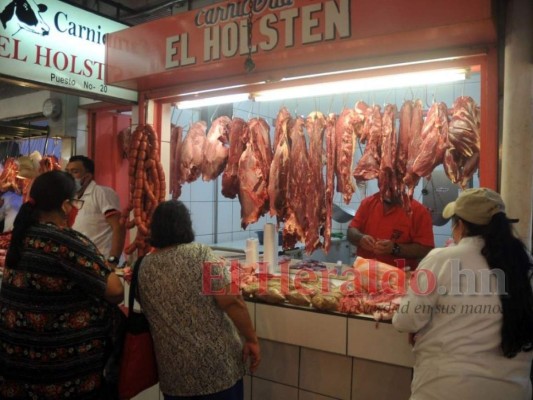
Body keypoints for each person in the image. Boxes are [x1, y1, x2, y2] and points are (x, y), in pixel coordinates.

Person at [392, 188, 533, 400]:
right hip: (513, 389)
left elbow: (406, 321)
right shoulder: (522, 262)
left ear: (462, 225)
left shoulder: (442, 259)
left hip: (448, 388)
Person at [0, 170, 124, 399]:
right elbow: (116, 292)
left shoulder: (22, 235)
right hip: (62, 374)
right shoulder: (65, 241)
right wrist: (112, 270)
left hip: (17, 370)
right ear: (66, 206)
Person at [137, 200, 261, 400]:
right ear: (186, 225)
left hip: (174, 376)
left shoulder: (142, 266)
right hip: (217, 371)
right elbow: (232, 301)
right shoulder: (200, 254)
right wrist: (252, 339)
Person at [347, 192, 434, 269]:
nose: (388, 190)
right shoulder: (367, 203)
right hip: (363, 274)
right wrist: (360, 238)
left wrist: (394, 248)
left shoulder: (418, 211)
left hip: (399, 278)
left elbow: (426, 249)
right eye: (384, 182)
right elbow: (351, 231)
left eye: (393, 183)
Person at [66, 155, 126, 266]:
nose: (69, 176)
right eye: (67, 171)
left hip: (103, 264)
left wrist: (113, 260)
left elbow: (119, 227)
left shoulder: (102, 193)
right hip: (81, 264)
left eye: (74, 172)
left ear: (87, 176)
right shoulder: (70, 199)